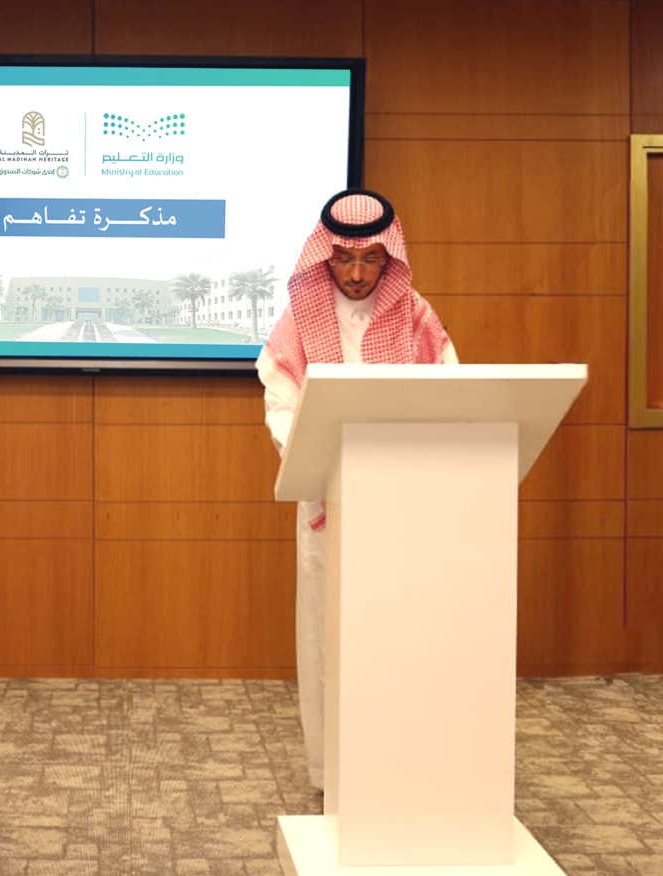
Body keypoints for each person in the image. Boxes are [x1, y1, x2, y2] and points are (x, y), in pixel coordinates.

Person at [256, 189, 457, 791]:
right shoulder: (300, 318)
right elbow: (281, 405)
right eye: (344, 259)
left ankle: (397, 763)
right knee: (328, 634)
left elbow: (448, 389)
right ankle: (330, 772)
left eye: (371, 260)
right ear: (326, 257)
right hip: (329, 501)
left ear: (389, 258)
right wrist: (318, 456)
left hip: (400, 505)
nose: (357, 273)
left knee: (397, 631)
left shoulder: (415, 314)